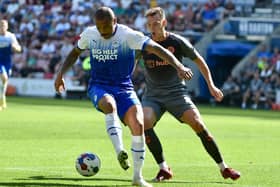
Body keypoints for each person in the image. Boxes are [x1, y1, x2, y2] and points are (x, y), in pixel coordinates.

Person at [54, 7, 192, 187]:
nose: (103, 32)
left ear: (115, 21)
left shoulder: (128, 35)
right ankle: (120, 150)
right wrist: (60, 74)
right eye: (99, 28)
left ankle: (137, 177)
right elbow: (74, 53)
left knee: (138, 124)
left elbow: (158, 49)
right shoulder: (90, 34)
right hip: (99, 86)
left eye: (106, 28)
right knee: (109, 105)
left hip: (125, 89)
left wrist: (179, 66)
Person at [138, 7, 241, 182]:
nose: (152, 28)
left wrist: (212, 86)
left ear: (164, 23)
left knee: (198, 124)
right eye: (149, 25)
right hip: (153, 95)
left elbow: (200, 61)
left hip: (176, 94)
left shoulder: (177, 42)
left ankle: (224, 168)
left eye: (155, 24)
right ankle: (164, 169)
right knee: (144, 122)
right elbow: (129, 63)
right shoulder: (143, 43)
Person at [0, 19, 22, 110]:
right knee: (4, 77)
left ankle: (2, 98)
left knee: (5, 81)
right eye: (1, 26)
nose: (2, 27)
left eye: (3, 26)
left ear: (7, 27)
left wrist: (15, 48)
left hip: (7, 61)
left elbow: (19, 49)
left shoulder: (10, 36)